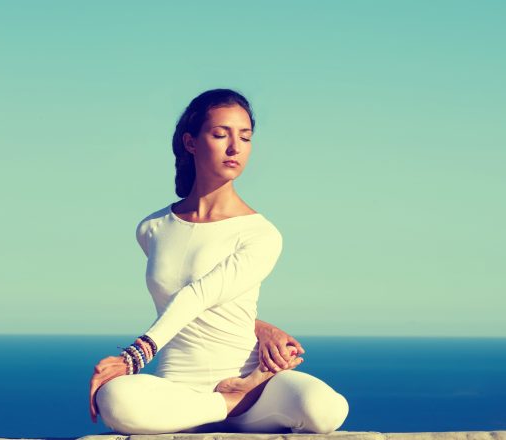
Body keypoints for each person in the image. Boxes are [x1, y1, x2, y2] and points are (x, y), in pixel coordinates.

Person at [87, 88, 349, 435]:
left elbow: (201, 294)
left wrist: (133, 357)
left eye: (245, 137)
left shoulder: (261, 234)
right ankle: (223, 405)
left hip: (254, 388)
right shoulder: (151, 229)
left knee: (325, 409)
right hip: (179, 390)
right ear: (191, 142)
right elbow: (185, 299)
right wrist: (261, 326)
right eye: (220, 134)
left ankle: (237, 401)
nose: (235, 148)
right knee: (115, 401)